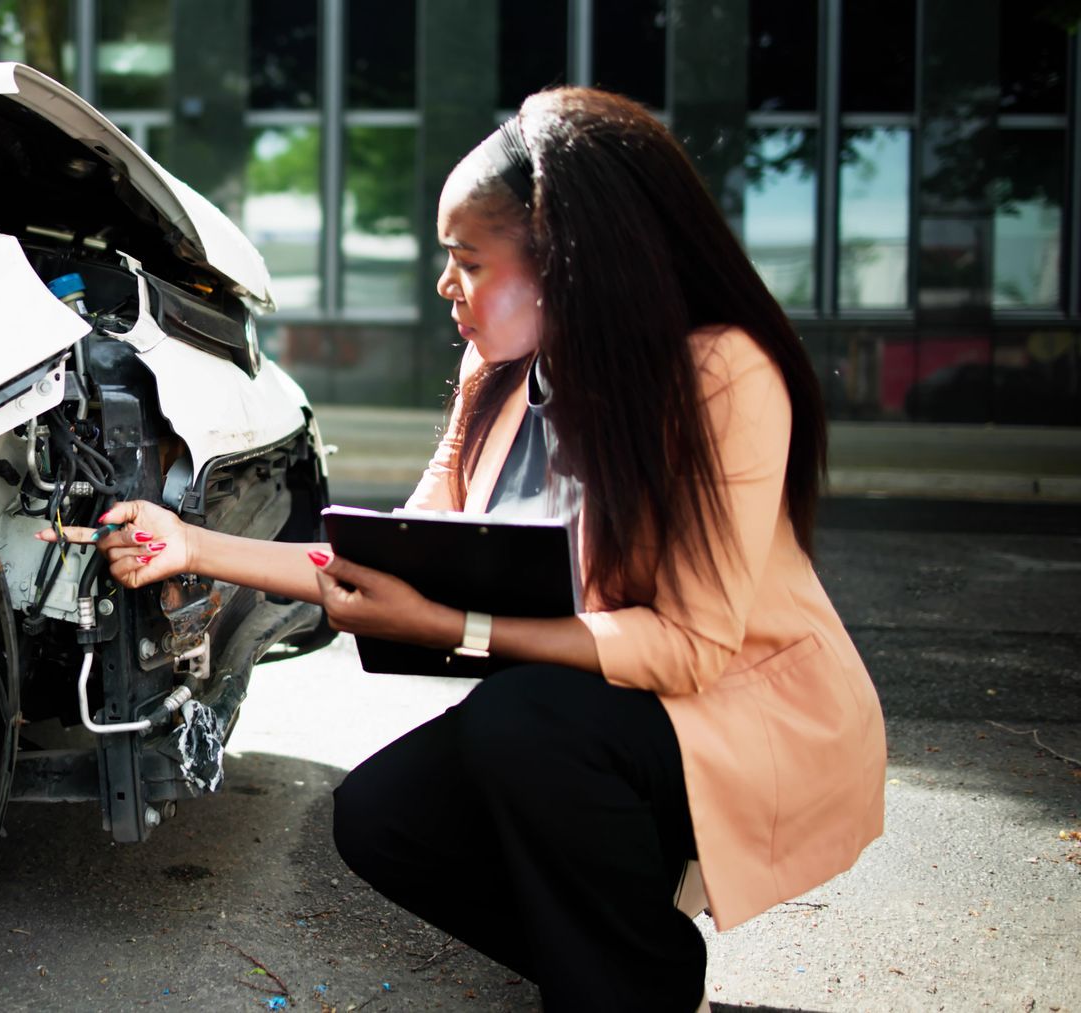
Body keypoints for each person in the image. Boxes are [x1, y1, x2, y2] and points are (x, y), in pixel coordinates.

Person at [43, 86, 886, 1011]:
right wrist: (189, 544)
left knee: (521, 722)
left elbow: (688, 648)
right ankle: (639, 967)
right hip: (588, 715)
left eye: (467, 260)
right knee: (380, 820)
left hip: (733, 720)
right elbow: (387, 561)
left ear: (568, 265)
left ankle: (622, 984)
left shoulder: (722, 373)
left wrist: (454, 625)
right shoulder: (500, 374)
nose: (445, 284)